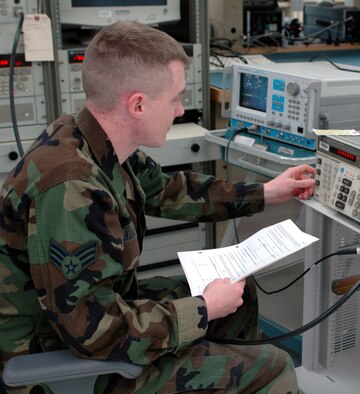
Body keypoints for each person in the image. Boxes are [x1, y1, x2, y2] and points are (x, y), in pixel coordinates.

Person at [0, 21, 315, 393]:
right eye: (176, 98)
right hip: (56, 360)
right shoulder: (71, 187)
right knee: (273, 367)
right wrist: (202, 309)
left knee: (239, 294)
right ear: (137, 104)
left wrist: (266, 193)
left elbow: (169, 191)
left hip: (87, 324)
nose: (181, 110)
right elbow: (92, 330)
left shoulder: (89, 138)